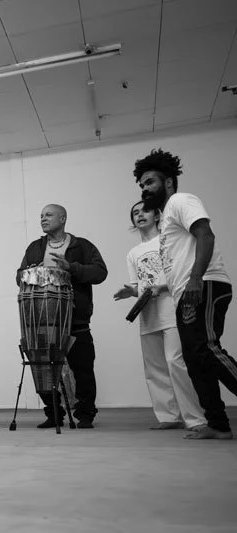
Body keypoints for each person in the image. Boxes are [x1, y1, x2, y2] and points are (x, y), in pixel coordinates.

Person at [135, 148, 236, 440]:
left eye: (150, 182)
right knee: (194, 359)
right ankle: (218, 424)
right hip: (185, 293)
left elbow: (206, 234)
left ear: (167, 182)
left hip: (205, 284)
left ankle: (217, 421)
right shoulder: (165, 218)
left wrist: (195, 279)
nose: (145, 189)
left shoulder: (181, 200)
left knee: (207, 349)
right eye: (142, 185)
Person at [113, 201, 206, 431]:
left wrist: (161, 288)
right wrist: (131, 291)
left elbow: (180, 273)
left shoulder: (169, 240)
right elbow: (140, 285)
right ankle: (168, 417)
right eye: (135, 213)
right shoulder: (133, 253)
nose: (139, 215)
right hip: (147, 315)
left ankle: (195, 418)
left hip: (173, 310)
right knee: (155, 369)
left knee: (176, 363)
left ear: (157, 215)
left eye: (144, 210)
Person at [16, 204, 107, 429]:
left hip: (75, 319)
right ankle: (53, 412)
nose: (43, 219)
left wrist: (72, 268)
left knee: (83, 369)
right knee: (43, 369)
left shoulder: (81, 246)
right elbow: (20, 276)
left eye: (48, 215)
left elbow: (100, 273)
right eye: (41, 216)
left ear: (63, 218)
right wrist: (31, 273)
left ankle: (85, 415)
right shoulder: (35, 248)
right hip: (42, 319)